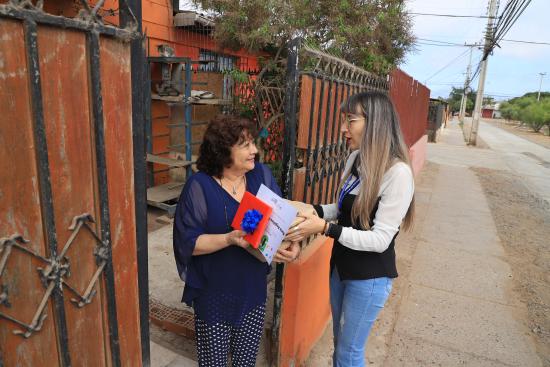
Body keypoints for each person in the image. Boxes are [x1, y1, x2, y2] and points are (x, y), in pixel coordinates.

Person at [285, 91, 415, 367]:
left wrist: (324, 228)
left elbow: (380, 239)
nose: (343, 128)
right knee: (339, 344)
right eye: (344, 120)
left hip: (368, 279)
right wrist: (315, 211)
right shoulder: (356, 159)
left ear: (375, 123)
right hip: (340, 269)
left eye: (351, 120)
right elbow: (343, 208)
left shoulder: (398, 173)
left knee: (349, 353)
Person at [173, 115, 300, 367]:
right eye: (245, 145)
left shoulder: (260, 177)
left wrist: (291, 242)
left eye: (253, 143)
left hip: (252, 290)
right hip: (214, 294)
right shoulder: (199, 186)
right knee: (214, 363)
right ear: (222, 151)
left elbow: (279, 220)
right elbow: (188, 242)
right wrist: (228, 239)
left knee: (245, 362)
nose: (255, 150)